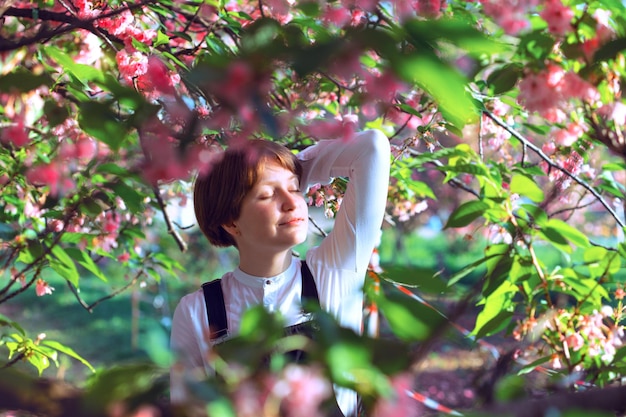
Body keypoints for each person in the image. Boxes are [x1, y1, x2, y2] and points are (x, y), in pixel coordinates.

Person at [170, 128, 391, 417]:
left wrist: (290, 165)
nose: (291, 202)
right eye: (266, 194)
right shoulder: (198, 311)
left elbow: (372, 147)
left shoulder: (334, 273)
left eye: (296, 188)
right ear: (231, 222)